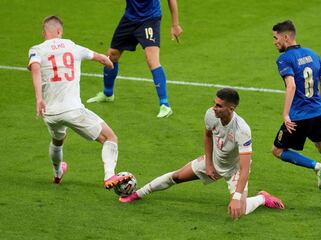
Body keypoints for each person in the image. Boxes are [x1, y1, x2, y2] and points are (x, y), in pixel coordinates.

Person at [120, 88, 284, 220]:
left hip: (235, 170)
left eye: (219, 106)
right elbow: (207, 136)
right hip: (213, 161)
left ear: (231, 109)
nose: (214, 108)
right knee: (176, 176)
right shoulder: (211, 114)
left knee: (238, 211)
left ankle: (262, 198)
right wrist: (208, 164)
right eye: (215, 103)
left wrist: (237, 196)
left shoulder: (242, 130)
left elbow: (245, 168)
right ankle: (137, 194)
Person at [28, 16, 130, 189]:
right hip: (73, 110)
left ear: (44, 32)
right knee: (110, 138)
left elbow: (35, 68)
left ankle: (58, 173)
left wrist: (39, 98)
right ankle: (109, 176)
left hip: (50, 113)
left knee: (57, 140)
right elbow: (102, 58)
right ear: (59, 31)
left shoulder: (36, 49)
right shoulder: (72, 46)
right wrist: (108, 63)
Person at [271, 20, 321, 193]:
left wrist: (286, 115)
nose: (274, 42)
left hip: (298, 116)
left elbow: (291, 86)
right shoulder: (313, 54)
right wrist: (320, 100)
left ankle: (316, 166)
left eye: (276, 38)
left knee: (277, 150)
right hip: (318, 112)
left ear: (286, 37)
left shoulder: (284, 59)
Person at [86, 0, 183, 118]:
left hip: (150, 19)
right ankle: (108, 94)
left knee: (152, 59)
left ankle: (165, 105)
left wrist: (175, 24)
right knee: (112, 55)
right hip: (129, 18)